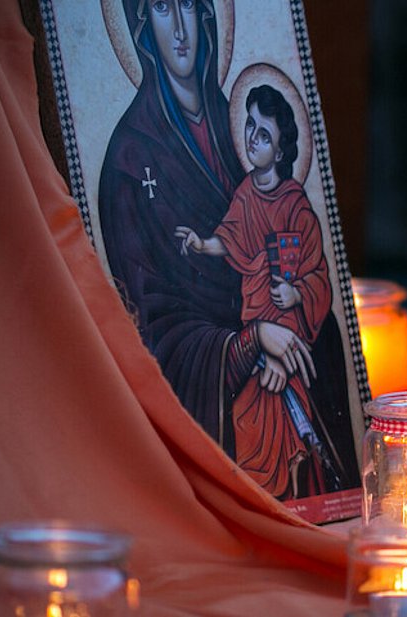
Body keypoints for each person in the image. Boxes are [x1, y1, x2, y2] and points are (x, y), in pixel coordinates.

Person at [97, 0, 314, 465]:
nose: (180, 29)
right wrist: (250, 344)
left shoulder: (244, 128)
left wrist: (285, 324)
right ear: (141, 24)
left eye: (190, 6)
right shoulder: (128, 161)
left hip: (281, 337)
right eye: (161, 7)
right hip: (213, 376)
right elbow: (150, 328)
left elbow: (294, 252)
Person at [175, 85, 346, 500]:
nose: (253, 139)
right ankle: (256, 505)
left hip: (288, 341)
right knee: (245, 419)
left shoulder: (295, 206)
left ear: (282, 150)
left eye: (264, 134)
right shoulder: (246, 194)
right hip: (256, 336)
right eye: (250, 127)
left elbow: (318, 273)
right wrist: (202, 244)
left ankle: (291, 502)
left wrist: (298, 292)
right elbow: (230, 238)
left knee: (280, 420)